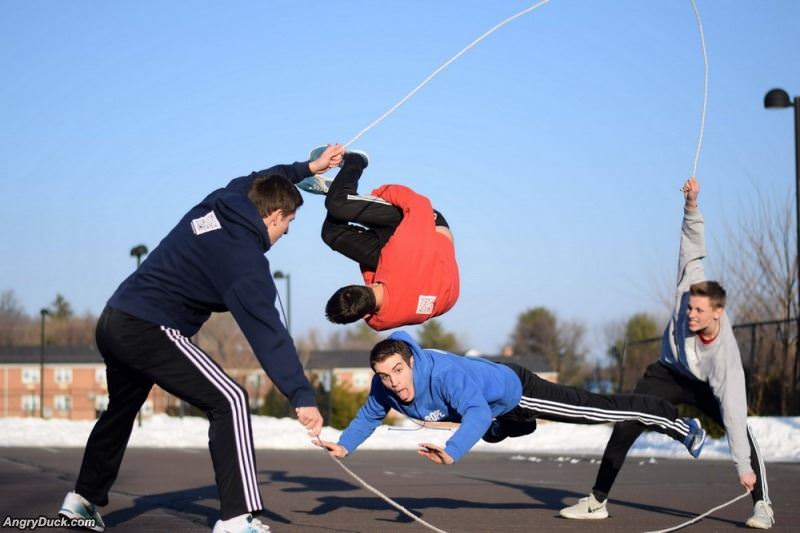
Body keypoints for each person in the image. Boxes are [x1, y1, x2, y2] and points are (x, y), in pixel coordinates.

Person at [57, 145, 345, 533]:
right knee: (230, 399)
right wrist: (300, 394)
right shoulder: (244, 260)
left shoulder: (225, 198)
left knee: (121, 410)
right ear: (273, 215)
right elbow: (269, 334)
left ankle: (82, 500)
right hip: (150, 327)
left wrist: (309, 168)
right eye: (287, 223)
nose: (286, 232)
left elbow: (263, 176)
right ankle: (236, 518)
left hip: (114, 318)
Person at [560, 178, 774, 529]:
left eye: (699, 313)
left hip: (705, 382)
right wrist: (691, 206)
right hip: (668, 371)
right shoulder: (690, 284)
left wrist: (742, 467)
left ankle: (763, 504)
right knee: (627, 422)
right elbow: (692, 245)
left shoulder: (726, 358)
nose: (690, 315)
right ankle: (597, 500)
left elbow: (734, 413)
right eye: (689, 309)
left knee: (743, 432)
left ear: (718, 313)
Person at [314, 331, 707, 467]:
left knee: (595, 410)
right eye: (385, 376)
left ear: (412, 362)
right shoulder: (384, 387)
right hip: (494, 406)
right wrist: (345, 446)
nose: (394, 383)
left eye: (398, 371)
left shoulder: (445, 375)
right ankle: (510, 426)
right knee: (492, 426)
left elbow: (475, 412)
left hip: (516, 391)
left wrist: (452, 450)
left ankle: (680, 424)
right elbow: (368, 416)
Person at [300, 148, 460, 331]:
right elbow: (419, 204)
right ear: (351, 285)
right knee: (337, 205)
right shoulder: (401, 251)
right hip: (426, 227)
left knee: (331, 234)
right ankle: (356, 161)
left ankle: (339, 190)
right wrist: (378, 195)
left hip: (431, 282)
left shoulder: (380, 322)